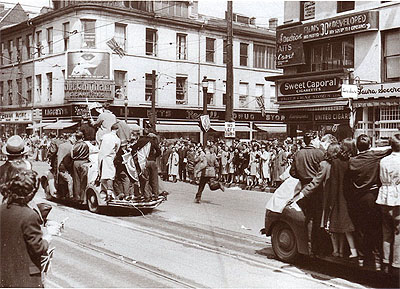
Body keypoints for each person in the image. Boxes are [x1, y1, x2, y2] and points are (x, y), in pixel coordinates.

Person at [0, 170, 61, 288]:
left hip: (4, 274)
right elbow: (38, 248)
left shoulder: (2, 209)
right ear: (30, 193)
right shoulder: (29, 215)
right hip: (24, 278)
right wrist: (49, 236)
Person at [348, 134, 391, 269]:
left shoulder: (352, 161)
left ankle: (363, 257)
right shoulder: (374, 157)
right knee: (375, 228)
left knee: (361, 228)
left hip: (357, 198)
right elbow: (388, 150)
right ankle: (377, 257)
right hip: (372, 197)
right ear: (370, 146)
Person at [290, 143, 340, 256]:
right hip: (328, 194)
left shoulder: (299, 153)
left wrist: (302, 190)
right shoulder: (320, 154)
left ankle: (312, 247)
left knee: (312, 219)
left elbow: (292, 172)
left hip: (310, 189)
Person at [324, 138, 358, 259]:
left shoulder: (335, 162)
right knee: (346, 227)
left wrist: (330, 201)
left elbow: (333, 182)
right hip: (349, 198)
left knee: (335, 226)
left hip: (338, 197)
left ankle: (336, 250)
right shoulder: (353, 161)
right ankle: (347, 251)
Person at [376, 134, 400, 274]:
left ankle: (385, 261)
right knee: (398, 232)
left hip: (384, 197)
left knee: (386, 231)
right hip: (397, 197)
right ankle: (396, 262)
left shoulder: (383, 161)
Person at [131, 130, 161, 201]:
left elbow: (133, 149)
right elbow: (159, 151)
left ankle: (147, 195)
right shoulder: (151, 141)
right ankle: (155, 194)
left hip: (144, 162)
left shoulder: (140, 141)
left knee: (145, 179)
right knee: (154, 179)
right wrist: (154, 156)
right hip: (152, 161)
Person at [98, 123, 121, 200]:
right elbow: (117, 150)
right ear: (117, 130)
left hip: (101, 157)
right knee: (110, 176)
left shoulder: (104, 136)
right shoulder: (117, 139)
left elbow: (99, 144)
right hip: (109, 158)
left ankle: (102, 192)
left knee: (101, 174)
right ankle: (109, 194)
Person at [71, 131, 89, 203]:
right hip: (84, 162)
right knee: (84, 180)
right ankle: (83, 197)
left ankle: (77, 197)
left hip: (76, 162)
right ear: (82, 137)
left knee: (77, 180)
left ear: (76, 138)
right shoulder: (86, 145)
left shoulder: (74, 145)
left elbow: (72, 156)